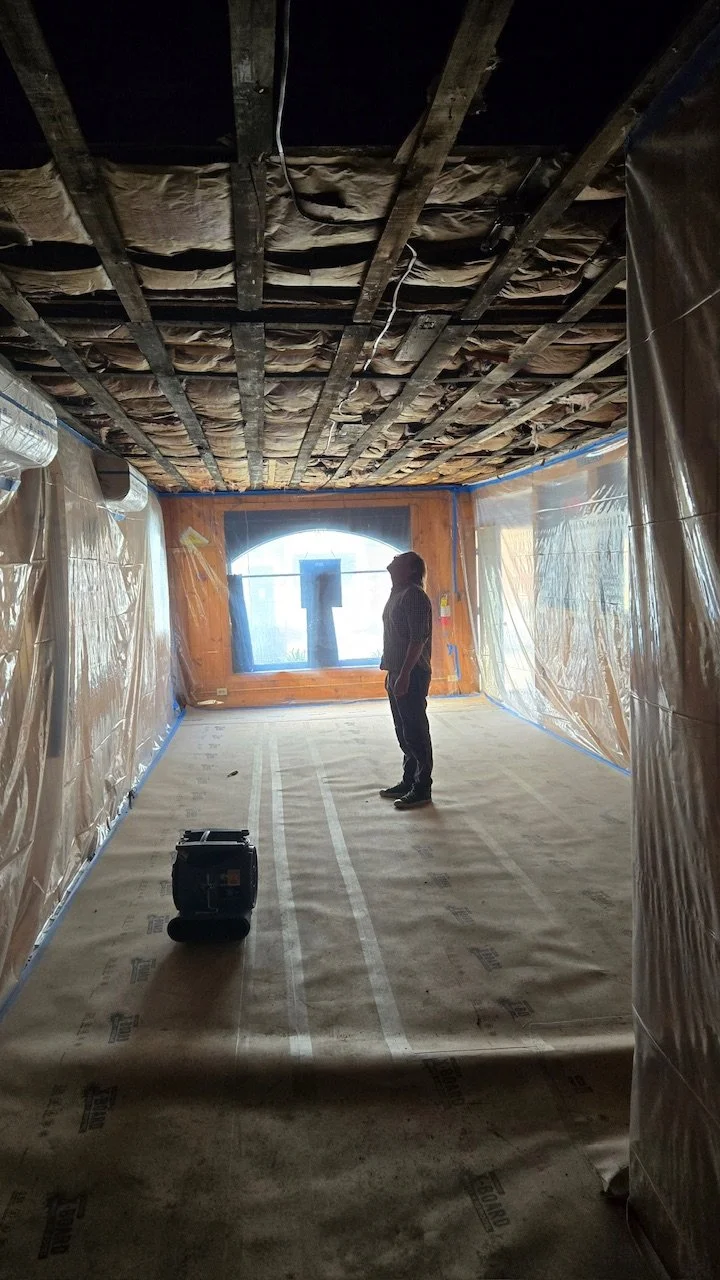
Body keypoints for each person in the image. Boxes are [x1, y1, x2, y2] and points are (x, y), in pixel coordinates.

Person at [379, 550, 434, 809]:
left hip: (410, 673)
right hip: (397, 672)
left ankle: (422, 787)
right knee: (403, 729)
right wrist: (392, 672)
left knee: (414, 730)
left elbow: (417, 639)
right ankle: (409, 779)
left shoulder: (413, 595)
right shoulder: (398, 594)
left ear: (411, 569)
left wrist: (404, 675)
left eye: (398, 560)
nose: (392, 562)